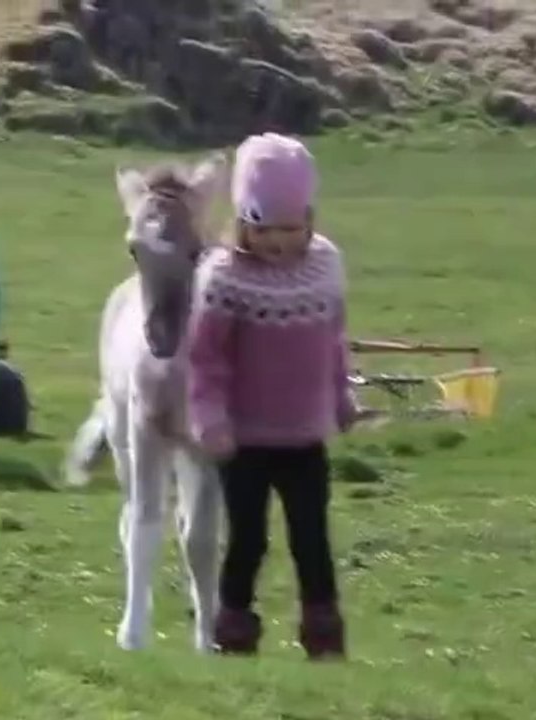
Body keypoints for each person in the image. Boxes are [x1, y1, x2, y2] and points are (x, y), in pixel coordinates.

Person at [185, 132, 358, 660]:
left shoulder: (325, 266)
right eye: (265, 229)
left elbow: (333, 340)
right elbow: (205, 358)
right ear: (244, 220)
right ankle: (233, 631)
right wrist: (210, 418)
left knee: (312, 540)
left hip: (305, 435)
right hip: (245, 441)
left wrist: (341, 394)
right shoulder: (224, 277)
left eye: (291, 227)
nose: (279, 242)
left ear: (309, 218)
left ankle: (324, 638)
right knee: (249, 540)